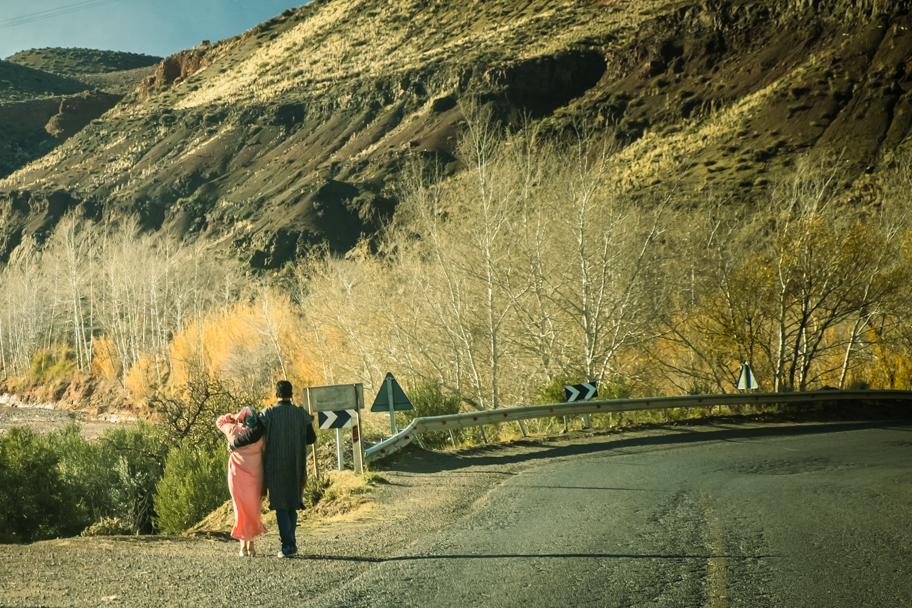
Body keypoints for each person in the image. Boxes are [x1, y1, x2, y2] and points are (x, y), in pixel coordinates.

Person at [231, 380, 317, 558]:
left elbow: (254, 435)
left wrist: (235, 444)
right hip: (296, 465)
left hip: (275, 466)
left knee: (280, 506)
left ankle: (287, 546)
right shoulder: (301, 414)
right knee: (293, 504)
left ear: (276, 395)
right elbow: (311, 439)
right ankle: (290, 544)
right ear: (291, 395)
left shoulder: (268, 413)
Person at [215, 406, 267, 557]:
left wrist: (231, 417)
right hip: (256, 476)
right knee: (254, 509)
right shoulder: (261, 436)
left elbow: (219, 422)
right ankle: (251, 545)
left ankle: (243, 546)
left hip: (236, 477)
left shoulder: (233, 431)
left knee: (240, 509)